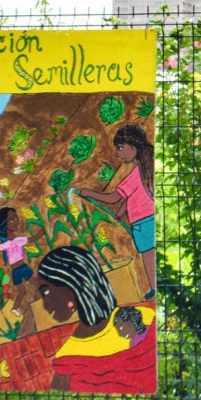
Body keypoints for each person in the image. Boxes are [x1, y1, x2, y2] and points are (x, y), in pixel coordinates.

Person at [36, 246, 155, 394]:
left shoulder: (145, 319)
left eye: (46, 291)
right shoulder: (67, 359)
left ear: (73, 281)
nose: (45, 303)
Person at [79, 124, 156, 300]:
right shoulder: (146, 170)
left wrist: (88, 193)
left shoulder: (136, 174)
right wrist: (121, 213)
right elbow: (134, 198)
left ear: (132, 147)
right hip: (149, 218)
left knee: (148, 255)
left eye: (120, 148)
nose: (118, 153)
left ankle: (154, 286)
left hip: (142, 222)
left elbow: (114, 198)